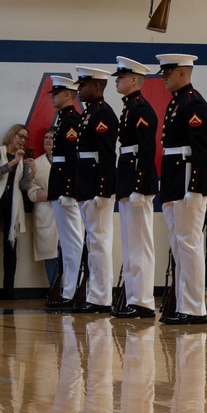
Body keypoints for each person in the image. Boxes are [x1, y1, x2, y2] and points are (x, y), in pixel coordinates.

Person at [156, 53, 207, 325]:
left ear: (183, 73)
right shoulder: (178, 102)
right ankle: (183, 304)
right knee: (179, 246)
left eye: (168, 72)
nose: (164, 77)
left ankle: (193, 307)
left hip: (186, 181)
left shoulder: (193, 103)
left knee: (189, 245)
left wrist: (196, 186)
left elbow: (200, 150)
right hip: (173, 181)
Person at [110, 57, 160, 320]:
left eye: (121, 76)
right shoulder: (129, 108)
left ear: (133, 80)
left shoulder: (141, 108)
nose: (116, 80)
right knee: (130, 244)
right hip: (128, 181)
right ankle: (133, 297)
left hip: (137, 183)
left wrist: (140, 185)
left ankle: (143, 300)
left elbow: (146, 149)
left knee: (140, 243)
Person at [72, 66, 120, 312]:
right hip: (86, 185)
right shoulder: (90, 113)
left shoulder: (103, 114)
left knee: (99, 242)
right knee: (93, 242)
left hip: (96, 188)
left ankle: (102, 298)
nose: (79, 89)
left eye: (84, 84)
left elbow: (107, 155)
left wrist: (103, 190)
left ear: (98, 86)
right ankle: (95, 294)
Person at [44, 75, 87, 310]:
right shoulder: (62, 119)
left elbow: (72, 157)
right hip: (59, 183)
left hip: (65, 187)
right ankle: (68, 288)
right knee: (67, 241)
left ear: (69, 95)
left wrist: (69, 190)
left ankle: (73, 290)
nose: (54, 97)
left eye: (58, 93)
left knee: (72, 241)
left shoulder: (71, 120)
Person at [0, 123, 33, 299]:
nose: (22, 140)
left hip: (13, 202)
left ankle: (9, 290)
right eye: (20, 136)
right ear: (12, 134)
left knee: (11, 246)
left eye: (25, 138)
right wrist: (13, 162)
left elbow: (23, 186)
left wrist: (31, 172)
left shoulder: (22, 158)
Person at [26, 126, 59, 285]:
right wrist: (41, 194)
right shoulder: (37, 163)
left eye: (52, 138)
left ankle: (70, 291)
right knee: (50, 253)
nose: (48, 140)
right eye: (46, 137)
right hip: (46, 213)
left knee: (70, 252)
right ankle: (54, 289)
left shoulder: (72, 161)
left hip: (67, 213)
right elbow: (30, 188)